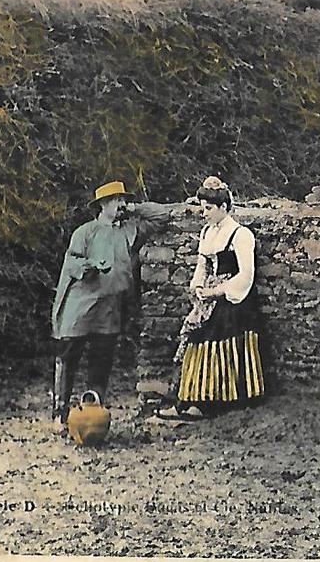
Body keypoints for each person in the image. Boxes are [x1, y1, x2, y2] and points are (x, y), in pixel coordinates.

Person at [51, 180, 171, 428]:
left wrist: (135, 208)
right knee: (69, 355)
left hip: (110, 307)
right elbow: (71, 261)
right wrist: (88, 269)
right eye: (117, 200)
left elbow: (162, 216)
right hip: (81, 304)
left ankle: (94, 412)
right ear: (103, 204)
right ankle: (59, 413)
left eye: (123, 200)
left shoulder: (130, 229)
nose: (121, 205)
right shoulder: (85, 231)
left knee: (102, 359)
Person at [156, 176, 267, 421]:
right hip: (209, 294)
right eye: (202, 208)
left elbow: (246, 274)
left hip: (234, 299)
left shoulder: (240, 234)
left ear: (224, 208)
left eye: (208, 208)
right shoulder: (207, 232)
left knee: (211, 339)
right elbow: (202, 266)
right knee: (193, 337)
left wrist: (217, 291)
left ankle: (206, 402)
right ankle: (185, 398)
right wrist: (197, 286)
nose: (203, 213)